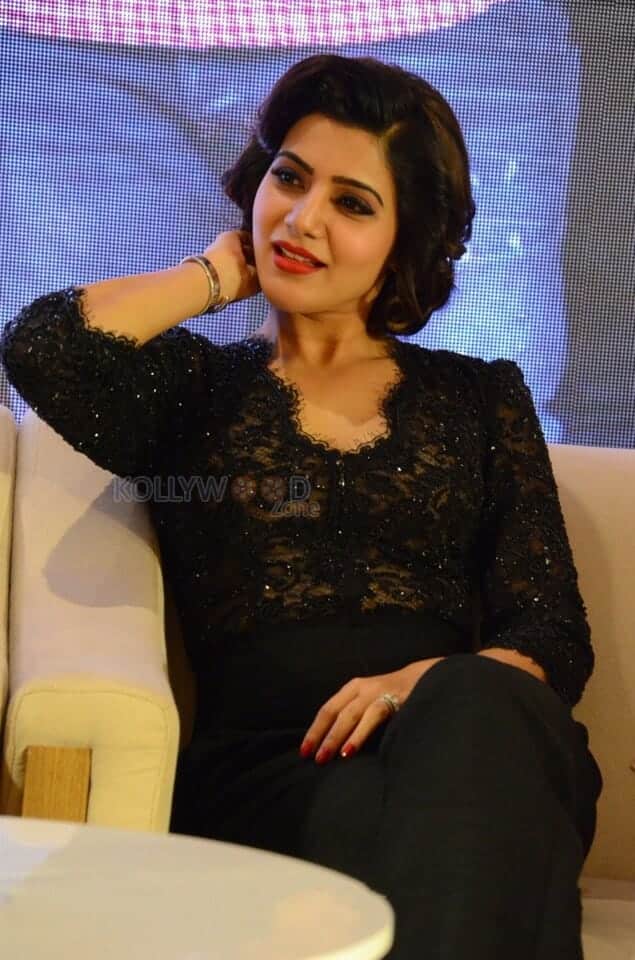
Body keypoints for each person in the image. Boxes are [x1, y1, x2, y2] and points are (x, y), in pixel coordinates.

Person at [0, 54, 603, 958]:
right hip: (276, 772)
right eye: (288, 178)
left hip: (470, 740)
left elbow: (549, 632)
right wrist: (217, 272)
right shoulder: (195, 391)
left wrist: (418, 684)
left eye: (351, 204)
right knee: (455, 826)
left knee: (480, 712)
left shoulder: (481, 397)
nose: (302, 217)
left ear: (406, 239)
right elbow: (45, 347)